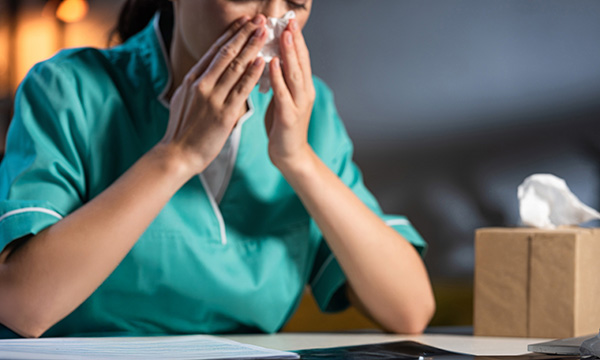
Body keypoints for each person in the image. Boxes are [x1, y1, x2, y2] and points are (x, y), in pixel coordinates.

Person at [0, 0, 435, 338]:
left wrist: (298, 159)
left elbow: (410, 310)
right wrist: (176, 156)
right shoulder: (67, 88)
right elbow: (21, 305)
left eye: (296, 6)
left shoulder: (308, 112)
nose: (270, 25)